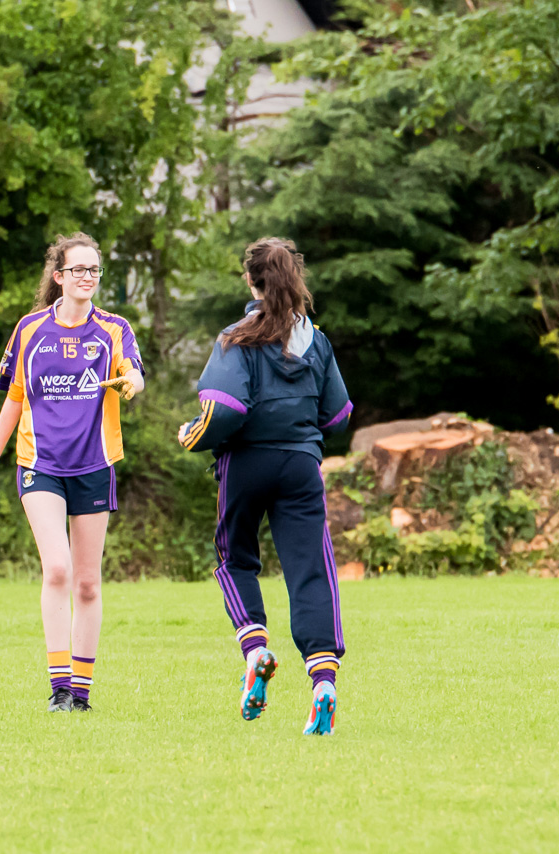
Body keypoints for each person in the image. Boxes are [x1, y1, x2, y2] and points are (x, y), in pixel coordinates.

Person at [177, 237, 352, 735]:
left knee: (235, 559)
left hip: (246, 464)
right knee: (310, 573)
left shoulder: (237, 336)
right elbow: (338, 414)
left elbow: (225, 410)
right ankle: (323, 685)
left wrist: (192, 434)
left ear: (250, 281)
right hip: (300, 466)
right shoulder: (315, 340)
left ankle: (256, 650)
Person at [0, 232, 145, 713]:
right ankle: (59, 688)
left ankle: (81, 695)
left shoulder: (113, 329)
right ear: (58, 276)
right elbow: (14, 400)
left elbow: (135, 372)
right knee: (59, 570)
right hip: (39, 465)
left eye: (94, 270)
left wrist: (130, 381)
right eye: (78, 270)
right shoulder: (29, 329)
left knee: (88, 583)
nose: (87, 278)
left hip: (94, 464)